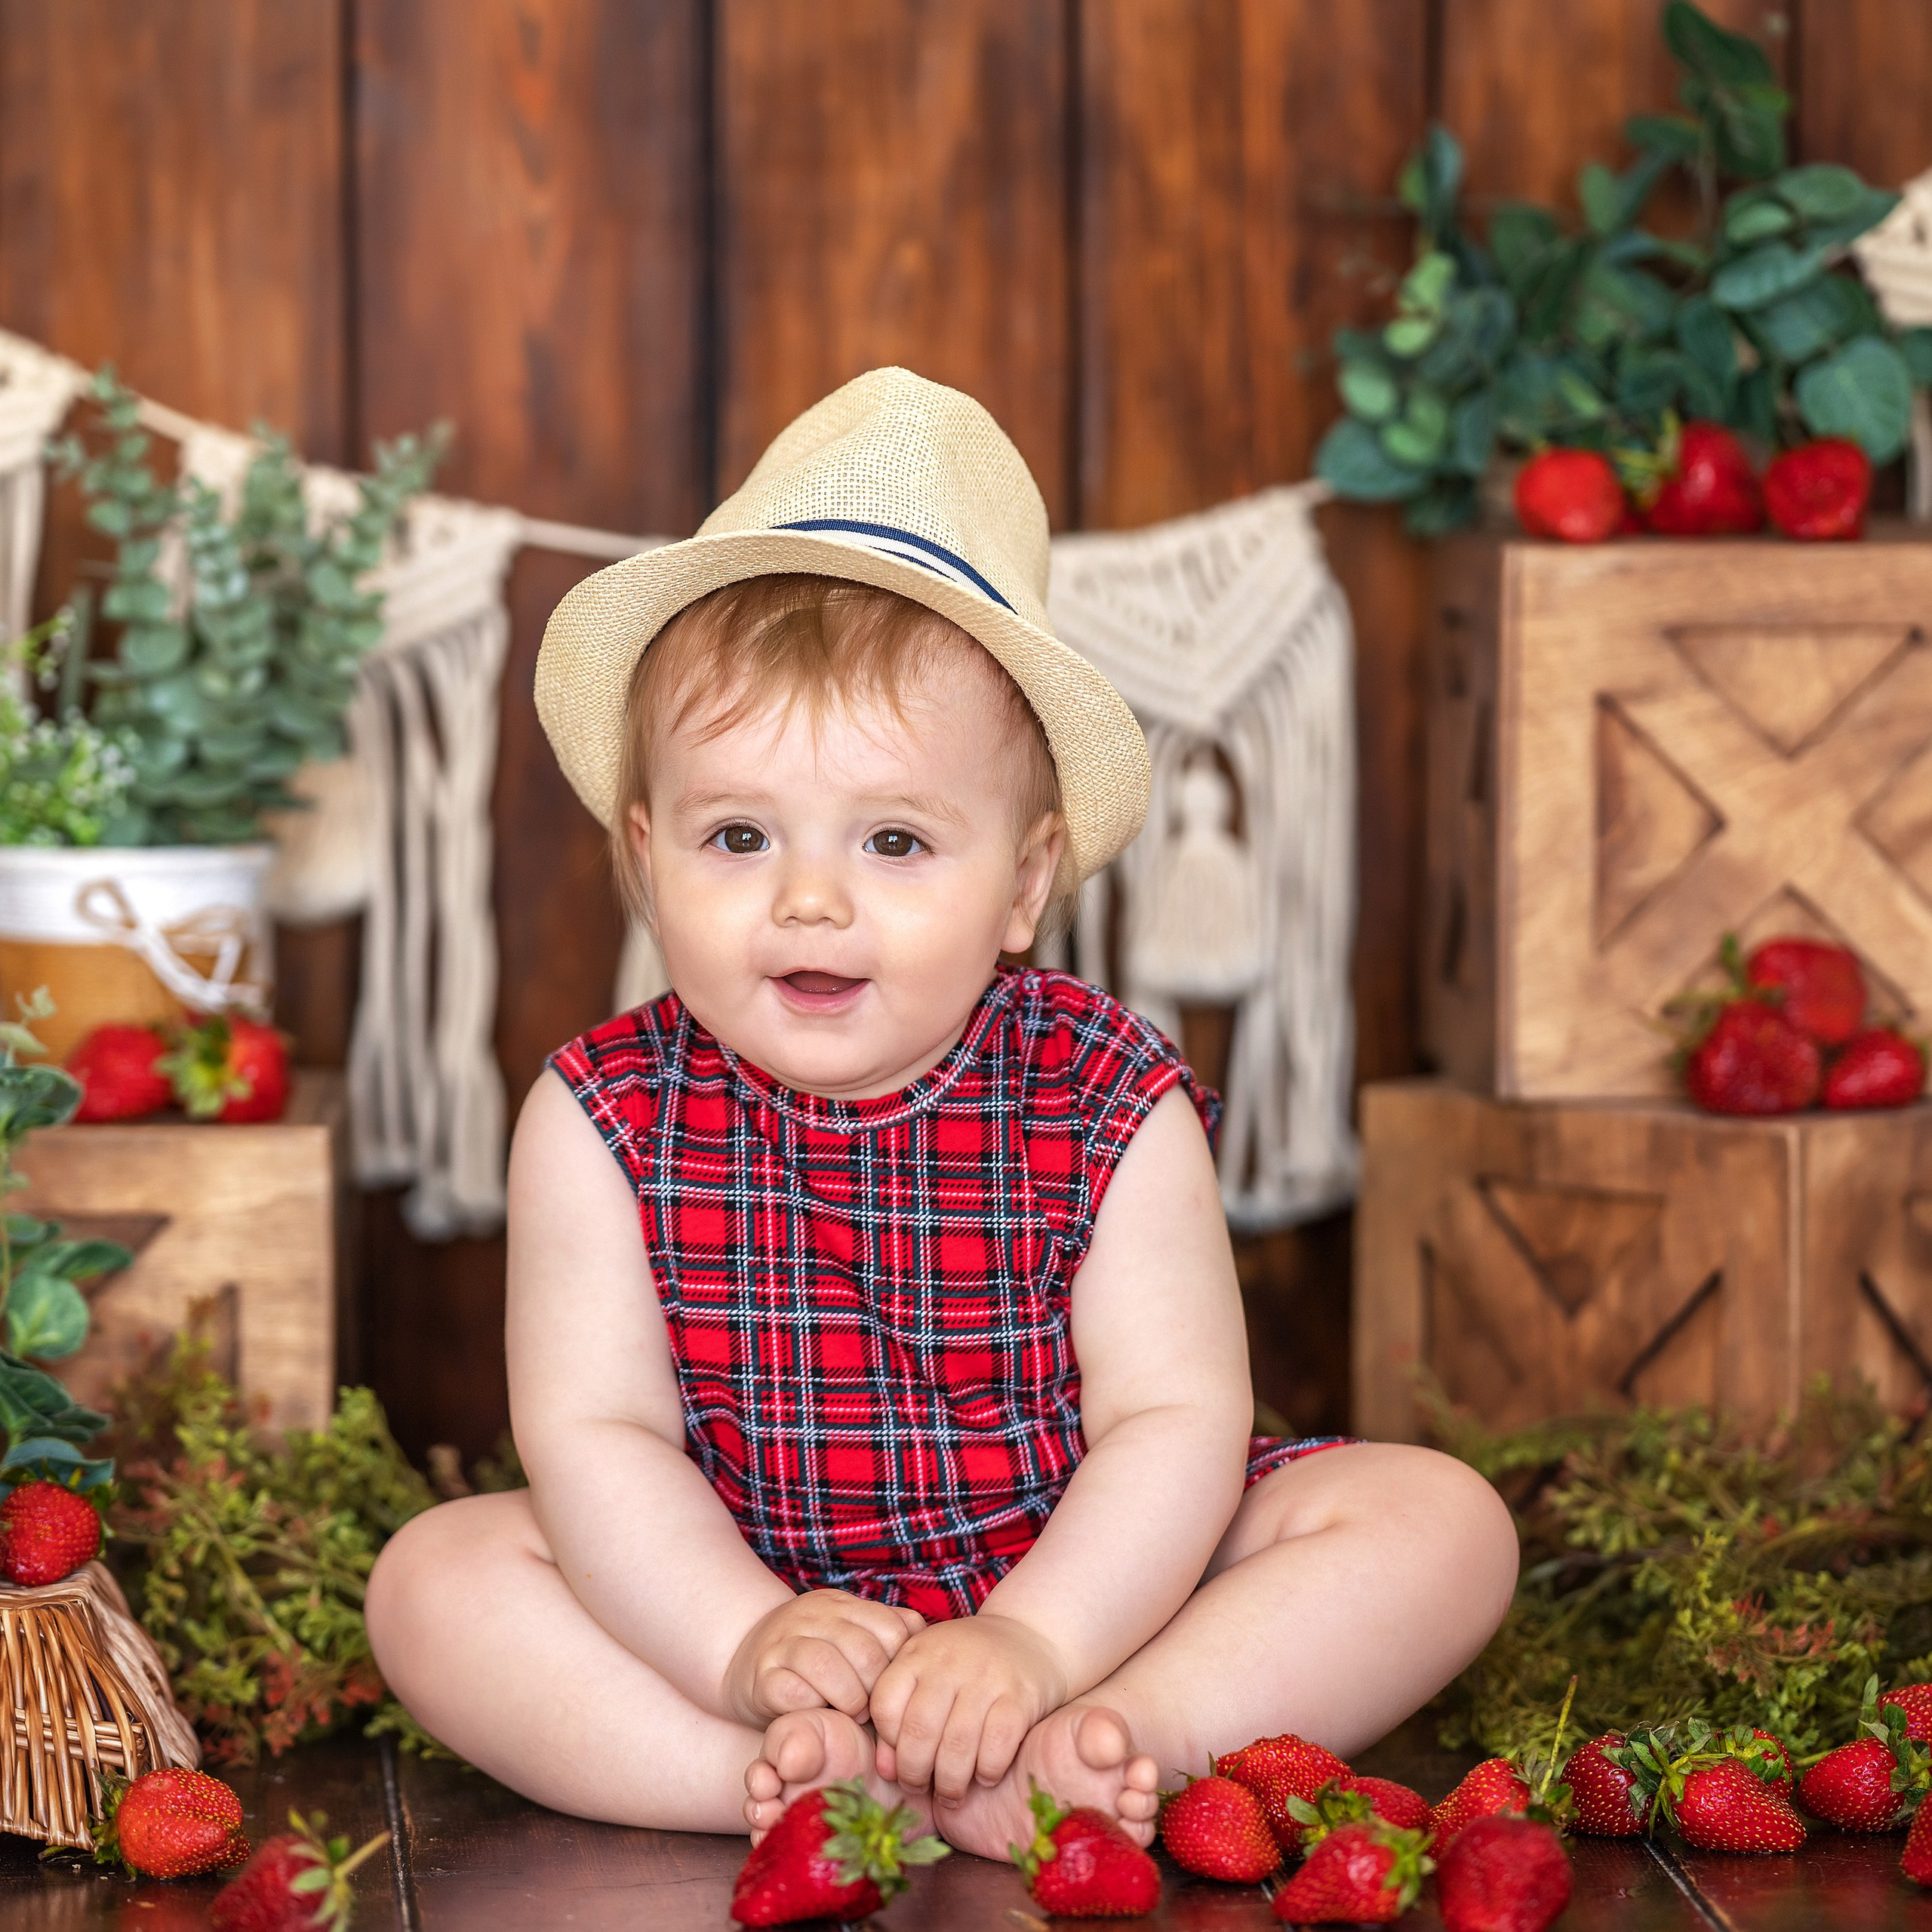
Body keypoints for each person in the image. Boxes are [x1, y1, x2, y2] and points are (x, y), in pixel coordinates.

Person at [365, 369, 1518, 1857]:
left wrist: (1037, 1644)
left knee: (1435, 1523)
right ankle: (775, 1781)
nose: (809, 896)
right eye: (735, 834)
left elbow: (1173, 1421)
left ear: (1024, 882)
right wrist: (743, 1638)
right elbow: (597, 1437)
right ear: (645, 863)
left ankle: (1109, 1743)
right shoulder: (598, 1118)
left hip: (1094, 1584)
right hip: (748, 1580)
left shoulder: (1106, 1093)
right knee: (436, 1580)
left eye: (896, 838)